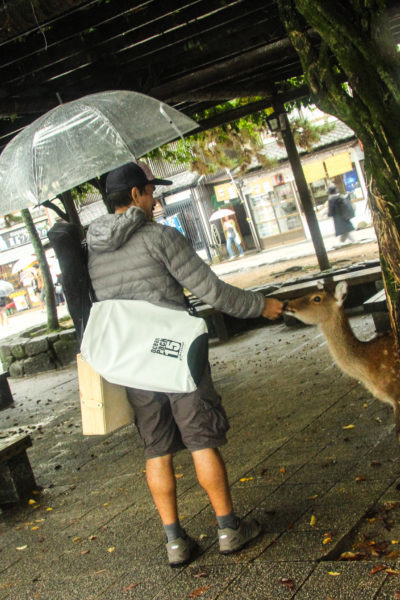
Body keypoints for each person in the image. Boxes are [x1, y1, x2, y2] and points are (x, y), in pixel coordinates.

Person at [87, 162, 284, 568]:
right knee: (200, 438)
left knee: (156, 447)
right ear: (138, 194)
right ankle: (229, 528)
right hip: (175, 352)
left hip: (132, 360)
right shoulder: (160, 236)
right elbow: (212, 290)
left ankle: (174, 541)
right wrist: (261, 306)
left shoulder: (95, 249)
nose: (155, 200)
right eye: (150, 192)